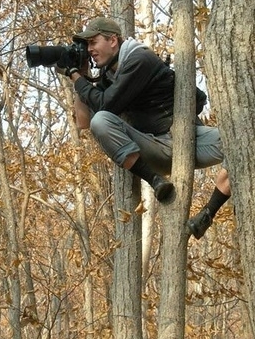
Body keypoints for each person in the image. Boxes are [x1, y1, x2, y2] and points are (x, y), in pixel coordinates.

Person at [59, 17, 231, 239]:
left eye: (93, 42)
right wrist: (80, 76)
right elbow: (84, 122)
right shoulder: (109, 75)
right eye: (87, 45)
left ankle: (208, 213)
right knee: (100, 121)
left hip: (187, 141)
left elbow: (106, 104)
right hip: (153, 149)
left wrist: (74, 75)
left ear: (112, 40)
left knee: (241, 144)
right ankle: (155, 181)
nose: (89, 49)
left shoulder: (139, 58)